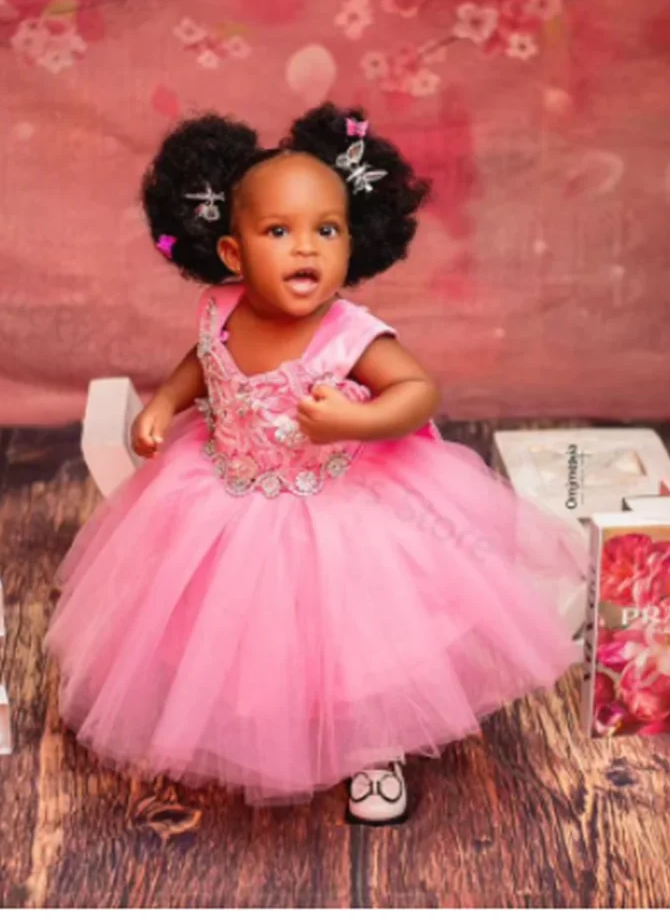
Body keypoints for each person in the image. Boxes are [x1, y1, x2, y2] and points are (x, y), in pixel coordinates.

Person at [43, 103, 587, 825]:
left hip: (339, 503)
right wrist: (166, 403)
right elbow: (202, 365)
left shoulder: (349, 332)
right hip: (227, 493)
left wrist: (355, 420)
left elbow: (418, 393)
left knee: (359, 641)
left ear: (351, 239)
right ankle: (239, 727)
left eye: (325, 231)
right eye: (279, 232)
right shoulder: (222, 311)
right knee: (221, 629)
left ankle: (373, 746)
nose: (307, 250)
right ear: (234, 254)